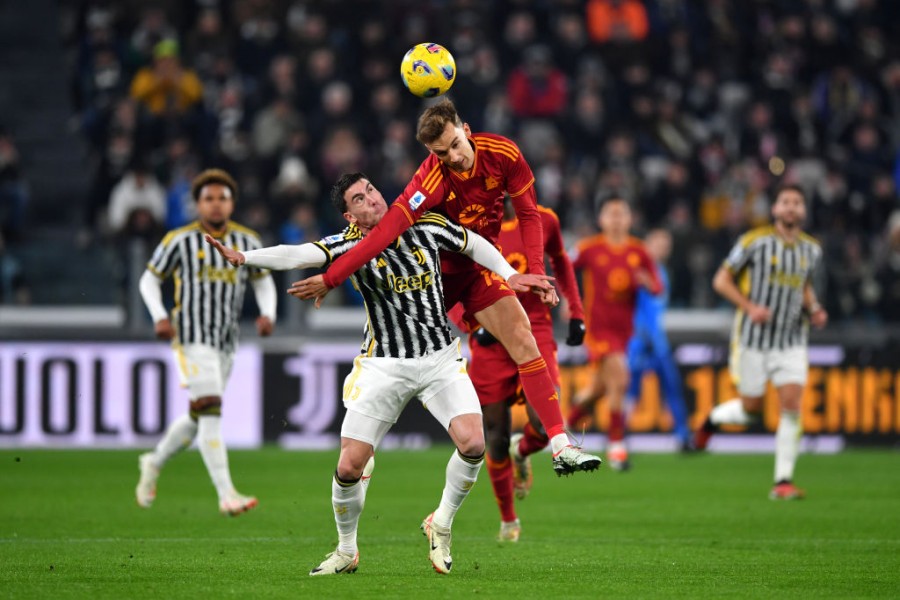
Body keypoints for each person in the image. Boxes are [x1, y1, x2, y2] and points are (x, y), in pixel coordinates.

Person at [208, 172, 554, 575]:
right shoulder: (350, 243)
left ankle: (440, 523)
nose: (371, 199)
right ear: (348, 214)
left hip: (439, 358)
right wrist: (246, 258)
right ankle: (346, 548)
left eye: (370, 189)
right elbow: (300, 253)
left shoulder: (424, 222)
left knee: (474, 443)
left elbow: (473, 243)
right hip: (384, 364)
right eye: (359, 198)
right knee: (349, 467)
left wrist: (509, 275)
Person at [289, 98, 602, 476]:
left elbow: (529, 214)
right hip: (430, 285)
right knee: (396, 360)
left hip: (476, 273)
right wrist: (331, 276)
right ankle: (360, 442)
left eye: (455, 145)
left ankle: (559, 444)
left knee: (523, 338)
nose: (452, 157)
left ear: (466, 130)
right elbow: (384, 235)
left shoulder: (503, 153)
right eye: (441, 152)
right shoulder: (430, 179)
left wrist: (534, 271)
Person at [135, 168, 277, 516]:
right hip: (191, 337)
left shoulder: (247, 241)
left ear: (232, 203)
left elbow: (262, 280)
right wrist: (159, 316)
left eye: (222, 198)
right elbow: (148, 281)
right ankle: (227, 494)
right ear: (198, 203)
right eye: (208, 198)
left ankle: (153, 462)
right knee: (211, 407)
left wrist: (268, 313)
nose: (216, 204)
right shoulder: (179, 240)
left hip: (227, 340)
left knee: (200, 415)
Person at [456, 199, 586, 543]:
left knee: (543, 425)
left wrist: (576, 310)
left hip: (535, 330)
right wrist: (469, 321)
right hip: (489, 336)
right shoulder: (469, 224)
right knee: (494, 433)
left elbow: (561, 261)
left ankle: (523, 451)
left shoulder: (546, 220)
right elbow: (450, 277)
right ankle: (508, 519)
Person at [693, 184, 827, 500]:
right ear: (775, 209)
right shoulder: (754, 242)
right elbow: (721, 280)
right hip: (753, 340)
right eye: (786, 202)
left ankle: (782, 481)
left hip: (792, 339)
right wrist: (749, 306)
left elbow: (803, 286)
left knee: (791, 405)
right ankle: (712, 420)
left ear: (803, 211)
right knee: (751, 408)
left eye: (797, 202)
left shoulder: (812, 249)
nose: (792, 207)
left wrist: (816, 308)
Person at [567, 195, 661, 471]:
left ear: (630, 219)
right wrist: (568, 301)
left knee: (599, 389)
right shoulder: (589, 248)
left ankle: (565, 427)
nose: (617, 219)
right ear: (601, 219)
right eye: (612, 214)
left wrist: (647, 283)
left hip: (623, 333)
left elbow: (657, 286)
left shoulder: (639, 251)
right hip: (596, 329)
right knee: (620, 378)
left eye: (622, 214)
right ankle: (617, 446)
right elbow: (563, 268)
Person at [625, 228, 692, 451]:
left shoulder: (661, 272)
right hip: (637, 340)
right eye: (659, 244)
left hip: (657, 341)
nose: (663, 249)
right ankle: (619, 434)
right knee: (630, 389)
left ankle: (683, 436)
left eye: (666, 245)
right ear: (648, 244)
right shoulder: (637, 270)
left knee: (672, 387)